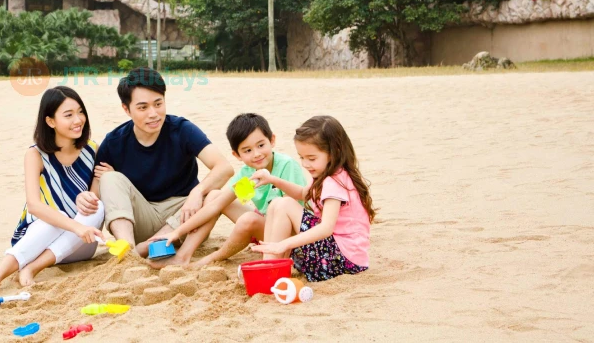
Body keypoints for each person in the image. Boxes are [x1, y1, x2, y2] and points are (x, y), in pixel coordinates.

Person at [76, 67, 233, 257]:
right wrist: (86, 197)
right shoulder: (114, 142)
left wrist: (197, 192)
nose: (153, 114)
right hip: (141, 219)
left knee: (214, 195)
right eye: (143, 107)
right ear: (126, 109)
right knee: (109, 178)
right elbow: (96, 194)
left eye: (158, 104)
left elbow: (224, 168)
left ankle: (145, 248)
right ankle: (128, 247)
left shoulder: (182, 130)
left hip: (184, 219)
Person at [0, 87, 104, 297]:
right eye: (68, 115)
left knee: (97, 207)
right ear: (50, 121)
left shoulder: (92, 149)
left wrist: (100, 178)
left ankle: (32, 268)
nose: (78, 120)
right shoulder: (35, 154)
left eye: (80, 112)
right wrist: (76, 227)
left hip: (77, 245)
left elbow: (93, 198)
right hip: (39, 240)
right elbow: (34, 206)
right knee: (53, 217)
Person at [148, 113, 310, 268]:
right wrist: (178, 232)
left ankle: (214, 258)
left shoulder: (286, 165)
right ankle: (184, 255)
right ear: (237, 155)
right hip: (266, 227)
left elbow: (288, 214)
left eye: (261, 145)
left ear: (272, 140)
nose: (257, 154)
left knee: (249, 219)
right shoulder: (248, 174)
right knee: (215, 196)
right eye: (247, 150)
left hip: (292, 235)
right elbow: (217, 205)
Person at [251, 116, 375, 282]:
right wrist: (273, 180)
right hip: (336, 255)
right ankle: (269, 263)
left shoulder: (334, 182)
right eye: (302, 157)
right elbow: (303, 194)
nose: (305, 164)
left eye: (311, 158)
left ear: (334, 153)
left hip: (343, 261)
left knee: (284, 204)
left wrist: (285, 244)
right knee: (277, 203)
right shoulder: (324, 175)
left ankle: (270, 269)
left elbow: (326, 228)